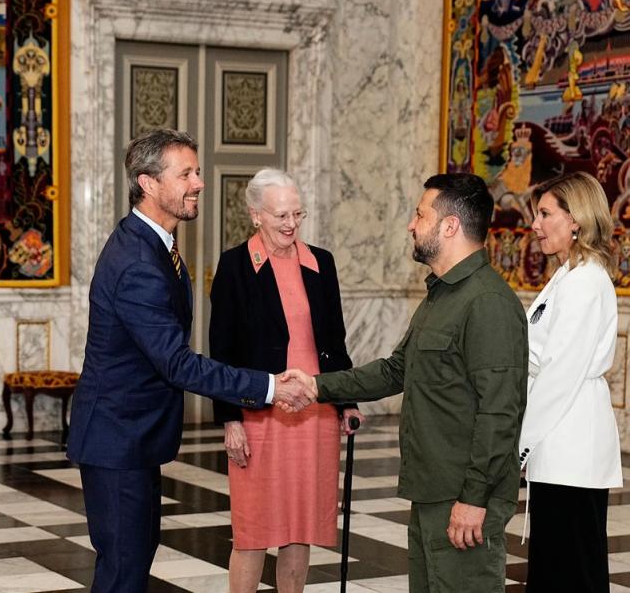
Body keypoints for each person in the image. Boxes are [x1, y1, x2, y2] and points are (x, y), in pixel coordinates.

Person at [66, 129, 316, 593]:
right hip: (118, 439)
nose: (199, 182)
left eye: (197, 171)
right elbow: (176, 363)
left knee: (132, 562)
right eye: (186, 174)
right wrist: (269, 387)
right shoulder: (138, 260)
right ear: (148, 183)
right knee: (123, 572)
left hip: (131, 437)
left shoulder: (153, 244)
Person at [289, 173, 528, 592]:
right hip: (433, 490)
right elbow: (395, 369)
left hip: (463, 496)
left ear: (450, 226)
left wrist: (473, 499)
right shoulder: (443, 296)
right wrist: (316, 386)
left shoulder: (488, 303)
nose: (411, 225)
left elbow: (500, 413)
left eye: (420, 215)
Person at [209, 168, 364, 593]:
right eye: (281, 216)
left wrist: (346, 399)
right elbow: (221, 353)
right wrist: (231, 419)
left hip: (314, 411)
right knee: (253, 529)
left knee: (301, 526)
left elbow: (335, 341)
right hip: (261, 414)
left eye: (298, 214)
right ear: (255, 215)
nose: (291, 224)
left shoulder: (321, 263)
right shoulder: (234, 267)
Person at [517, 172, 622, 592]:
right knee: (556, 563)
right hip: (558, 441)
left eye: (545, 213)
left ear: (575, 219)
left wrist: (518, 445)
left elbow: (559, 373)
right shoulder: (567, 276)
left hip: (570, 441)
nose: (535, 224)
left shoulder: (584, 282)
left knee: (572, 568)